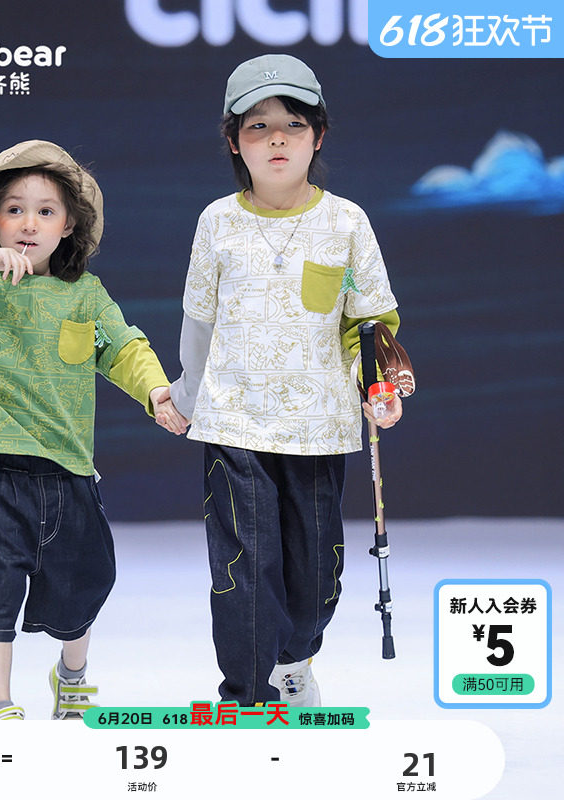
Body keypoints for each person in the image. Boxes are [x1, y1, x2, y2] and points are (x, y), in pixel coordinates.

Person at [0, 140, 186, 721]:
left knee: (84, 584)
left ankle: (71, 674)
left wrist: (155, 391)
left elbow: (123, 346)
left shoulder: (85, 294)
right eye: (14, 209)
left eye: (46, 211)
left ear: (69, 224)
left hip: (68, 471)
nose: (29, 223)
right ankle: (0, 705)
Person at [166, 54, 403, 707]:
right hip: (233, 422)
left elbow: (370, 323)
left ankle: (294, 661)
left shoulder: (347, 222)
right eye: (258, 126)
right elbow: (199, 324)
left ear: (318, 136)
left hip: (319, 426)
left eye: (294, 124)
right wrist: (184, 399)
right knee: (243, 569)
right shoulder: (217, 221)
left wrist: (379, 385)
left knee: (315, 575)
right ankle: (247, 696)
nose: (277, 139)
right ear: (233, 141)